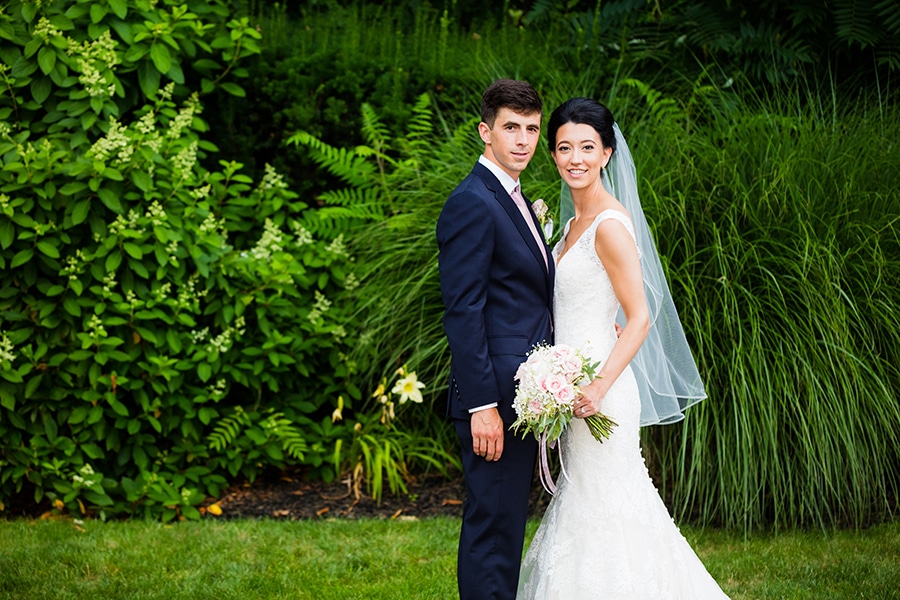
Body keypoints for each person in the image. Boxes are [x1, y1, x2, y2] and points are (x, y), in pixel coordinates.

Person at [516, 97, 729, 598]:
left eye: (587, 147)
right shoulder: (569, 228)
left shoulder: (609, 226)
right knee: (584, 501)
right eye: (564, 147)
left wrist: (597, 384)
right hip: (572, 385)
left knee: (606, 506)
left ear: (608, 153)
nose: (575, 158)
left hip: (602, 389)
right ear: (553, 155)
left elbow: (639, 318)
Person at [436, 79, 554, 600]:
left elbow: (526, 297)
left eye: (531, 129)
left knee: (504, 525)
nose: (523, 140)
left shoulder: (513, 196)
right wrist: (483, 404)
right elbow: (464, 311)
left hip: (522, 395)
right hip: (495, 402)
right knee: (492, 531)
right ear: (486, 131)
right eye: (511, 128)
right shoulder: (474, 202)